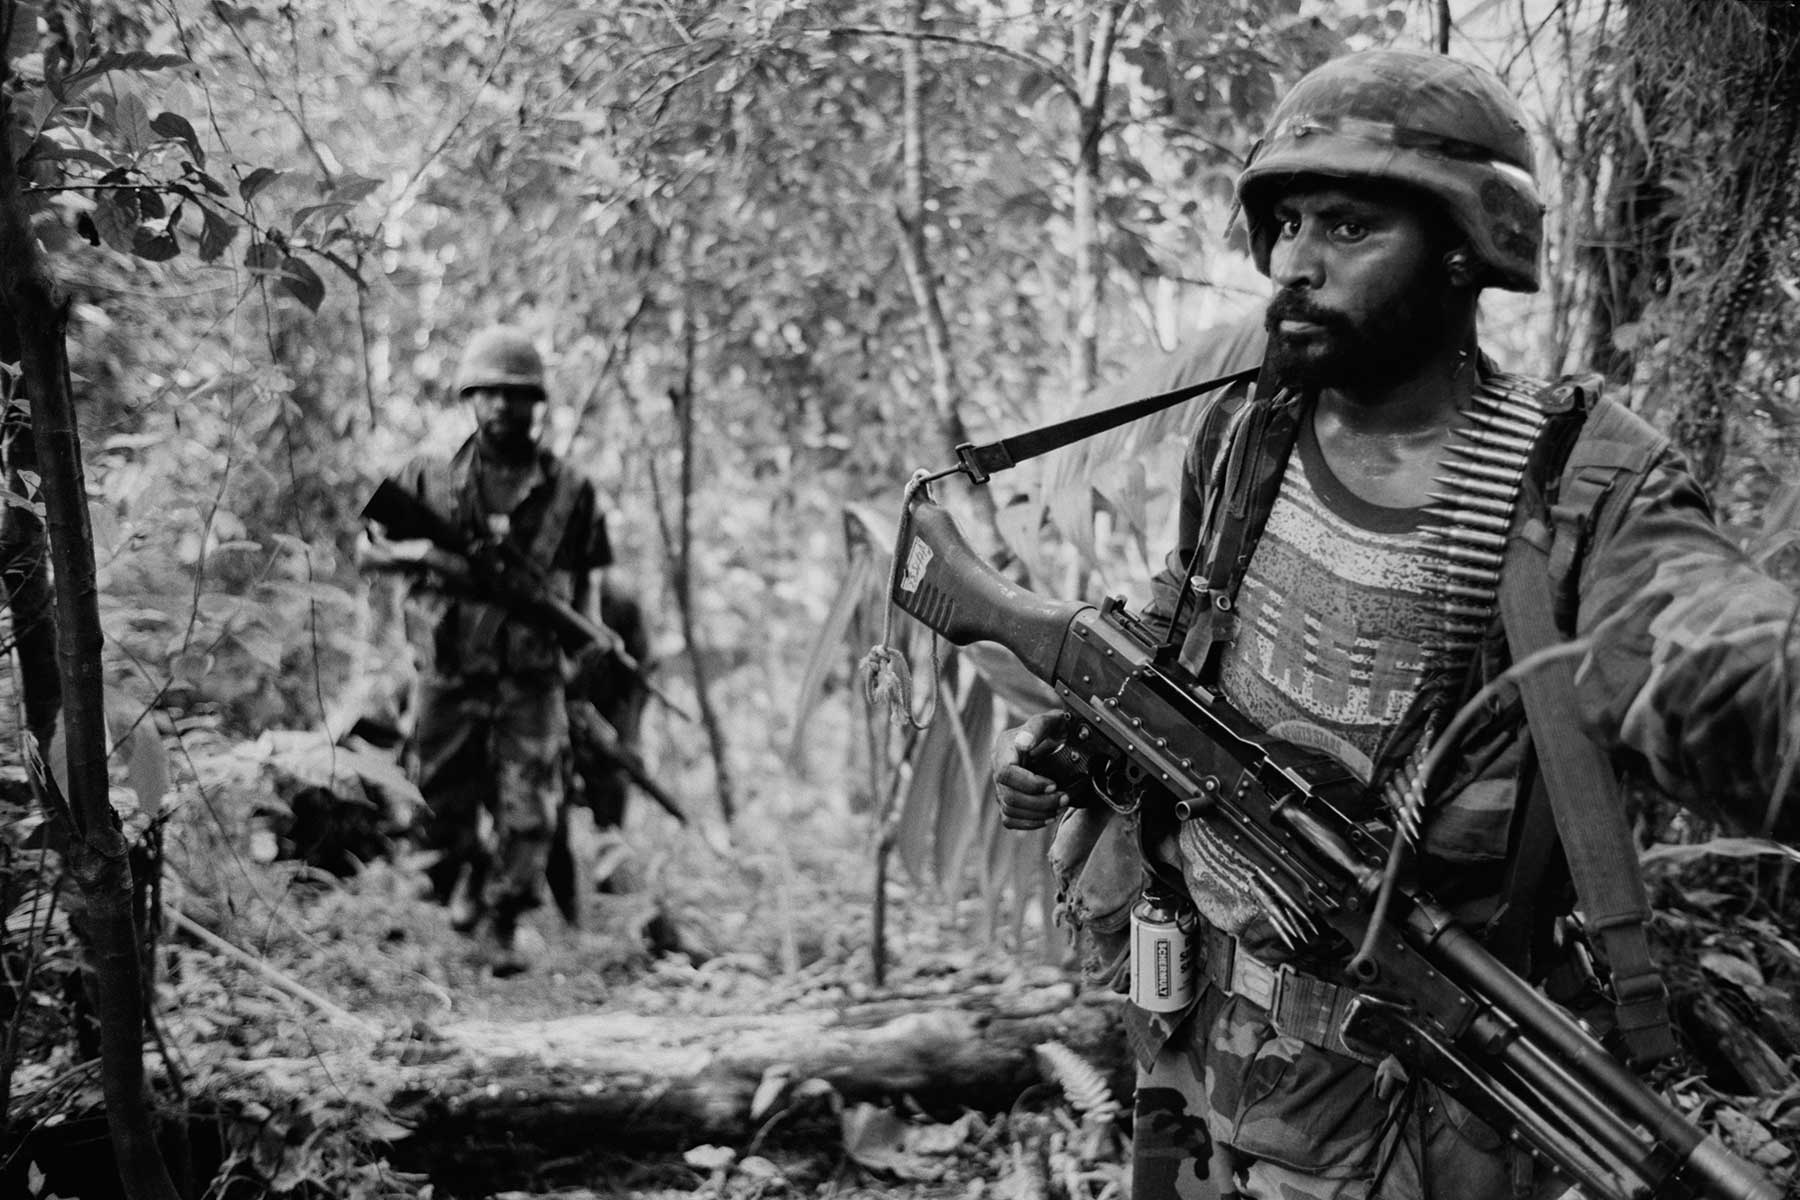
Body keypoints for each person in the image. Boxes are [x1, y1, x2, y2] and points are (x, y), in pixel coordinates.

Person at [991, 48, 1800, 1200]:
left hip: (1421, 1096)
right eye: (1287, 225)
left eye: (1349, 227)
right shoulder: (1247, 435)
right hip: (1197, 1037)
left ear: (1468, 244)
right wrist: (1073, 748)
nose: (1295, 264)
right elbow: (1186, 646)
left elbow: (1706, 654)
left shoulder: (1584, 487)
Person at [362, 324, 613, 975]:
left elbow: (586, 578)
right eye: (490, 391)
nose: (503, 404)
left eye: (517, 393)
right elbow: (369, 549)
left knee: (531, 807)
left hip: (531, 673)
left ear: (537, 403)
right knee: (435, 799)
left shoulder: (570, 491)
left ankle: (503, 919)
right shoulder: (426, 476)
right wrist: (429, 556)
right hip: (447, 668)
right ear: (470, 398)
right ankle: (466, 877)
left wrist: (588, 637)